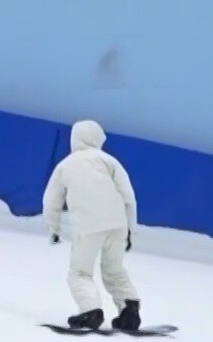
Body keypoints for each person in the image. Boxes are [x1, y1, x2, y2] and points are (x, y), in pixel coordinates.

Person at [42, 119, 141, 330]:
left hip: (87, 227)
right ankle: (129, 310)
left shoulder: (65, 165)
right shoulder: (110, 161)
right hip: (118, 225)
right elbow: (128, 197)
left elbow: (51, 201)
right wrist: (130, 230)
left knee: (80, 273)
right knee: (115, 270)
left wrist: (53, 229)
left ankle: (90, 311)